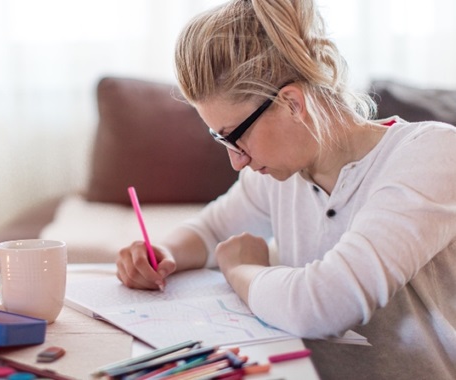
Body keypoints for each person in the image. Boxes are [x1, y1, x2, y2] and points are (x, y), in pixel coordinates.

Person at [115, 0, 456, 379]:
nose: (237, 161)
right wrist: (164, 253)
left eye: (236, 137)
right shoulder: (281, 175)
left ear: (292, 103)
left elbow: (325, 303)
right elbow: (211, 230)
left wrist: (241, 269)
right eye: (221, 141)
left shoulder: (431, 155)